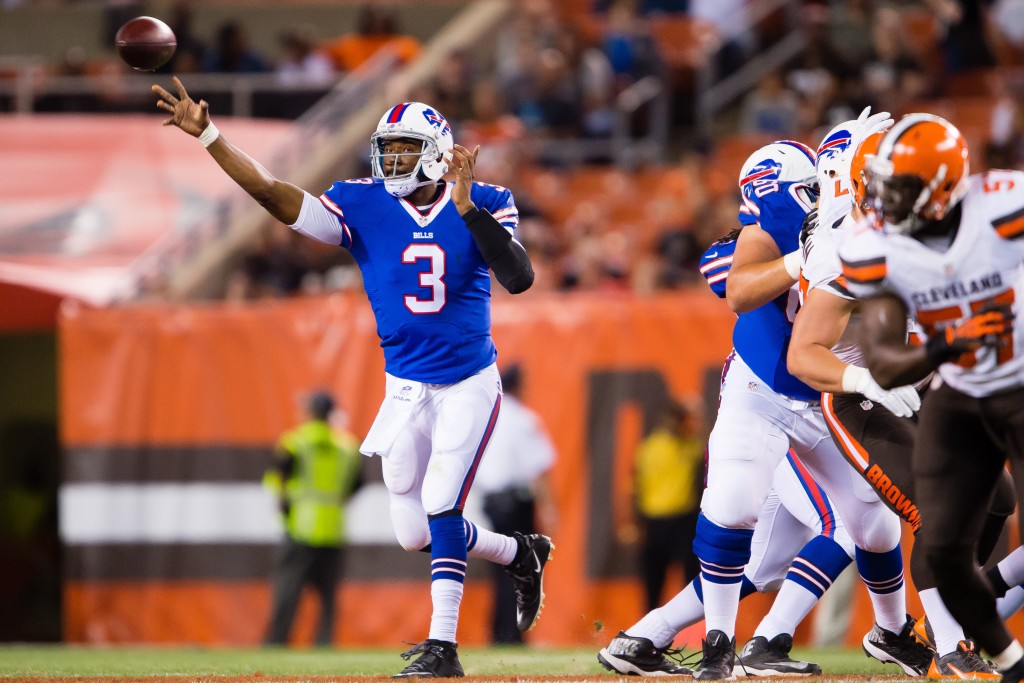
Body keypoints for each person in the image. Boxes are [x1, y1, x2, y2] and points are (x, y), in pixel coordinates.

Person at [151, 77, 552, 678]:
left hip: (468, 380)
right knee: (413, 531)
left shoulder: (487, 200)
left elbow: (519, 278)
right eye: (386, 149)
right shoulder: (362, 203)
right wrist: (210, 136)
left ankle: (442, 648)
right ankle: (519, 552)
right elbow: (271, 192)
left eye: (404, 150)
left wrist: (467, 208)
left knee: (443, 503)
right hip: (405, 388)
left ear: (440, 153)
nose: (391, 161)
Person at [689, 134, 931, 680]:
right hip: (763, 391)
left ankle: (892, 633)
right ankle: (717, 643)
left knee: (874, 521)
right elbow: (735, 289)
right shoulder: (768, 226)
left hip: (826, 397)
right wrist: (802, 256)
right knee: (732, 503)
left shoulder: (875, 229)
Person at [788, 119, 1010, 678]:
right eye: (884, 185)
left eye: (902, 188)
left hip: (925, 385)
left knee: (998, 497)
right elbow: (804, 354)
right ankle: (949, 646)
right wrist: (866, 381)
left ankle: (948, 614)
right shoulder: (853, 246)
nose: (888, 201)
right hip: (860, 394)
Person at [263, 391, 362, 646]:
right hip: (333, 529)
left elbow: (279, 482)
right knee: (328, 597)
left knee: (288, 592)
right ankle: (324, 643)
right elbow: (357, 484)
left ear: (309, 412)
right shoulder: (348, 446)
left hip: (300, 527)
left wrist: (285, 512)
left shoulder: (295, 442)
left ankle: (277, 643)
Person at [472, 363, 557, 645]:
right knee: (521, 570)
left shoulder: (487, 417)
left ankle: (500, 634)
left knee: (499, 572)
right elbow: (537, 468)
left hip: (489, 503)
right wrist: (548, 506)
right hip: (515, 504)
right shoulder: (522, 418)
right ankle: (512, 636)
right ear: (519, 386)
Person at [631, 397, 703, 613]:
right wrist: (636, 523)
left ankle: (692, 628)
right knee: (653, 582)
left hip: (683, 521)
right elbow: (636, 486)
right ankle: (649, 630)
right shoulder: (651, 447)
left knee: (691, 580)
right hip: (655, 521)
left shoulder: (691, 445)